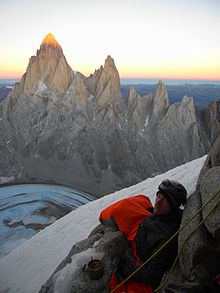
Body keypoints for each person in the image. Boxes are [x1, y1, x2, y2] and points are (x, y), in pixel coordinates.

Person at [99, 179, 187, 293]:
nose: (158, 202)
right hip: (145, 223)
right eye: (158, 196)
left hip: (136, 242)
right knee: (142, 199)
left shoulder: (167, 240)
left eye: (164, 200)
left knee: (119, 209)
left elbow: (151, 276)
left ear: (173, 206)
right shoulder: (167, 213)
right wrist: (152, 212)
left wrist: (125, 269)